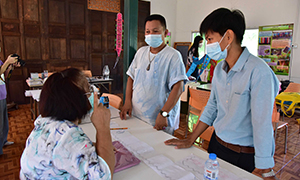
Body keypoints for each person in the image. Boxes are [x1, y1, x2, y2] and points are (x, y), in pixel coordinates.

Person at [165, 8, 279, 180]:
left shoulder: (258, 72)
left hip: (242, 155)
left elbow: (262, 123)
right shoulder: (219, 69)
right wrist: (191, 138)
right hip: (216, 147)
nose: (207, 44)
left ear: (228, 37)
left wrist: (266, 169)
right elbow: (212, 106)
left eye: (210, 39)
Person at [20, 68, 115, 179]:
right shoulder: (68, 135)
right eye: (89, 89)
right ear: (76, 100)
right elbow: (104, 176)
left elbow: (64, 149)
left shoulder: (44, 122)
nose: (93, 94)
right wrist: (103, 128)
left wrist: (95, 146)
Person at [120, 14, 188, 135]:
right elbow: (131, 77)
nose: (151, 35)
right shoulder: (141, 52)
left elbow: (178, 88)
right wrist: (127, 101)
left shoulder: (173, 56)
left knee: (159, 151)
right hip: (136, 116)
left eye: (155, 31)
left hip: (159, 120)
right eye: (148, 31)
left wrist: (164, 113)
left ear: (165, 32)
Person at [0, 54, 19, 156]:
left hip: (2, 94)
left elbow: (5, 76)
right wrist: (7, 61)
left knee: (4, 122)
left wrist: (11, 67)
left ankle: (3, 141)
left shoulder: (0, 62)